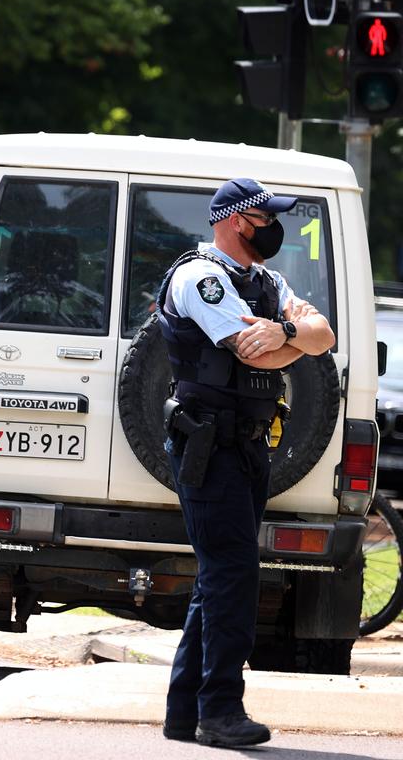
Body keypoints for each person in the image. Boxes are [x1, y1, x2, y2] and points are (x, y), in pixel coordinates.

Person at [156, 178, 335, 747]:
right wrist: (290, 338)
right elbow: (245, 347)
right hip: (209, 444)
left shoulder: (266, 280)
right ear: (236, 220)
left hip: (250, 442)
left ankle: (187, 711)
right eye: (266, 217)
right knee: (232, 573)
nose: (274, 226)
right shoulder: (199, 277)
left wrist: (283, 331)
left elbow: (322, 336)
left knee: (219, 578)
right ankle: (221, 711)